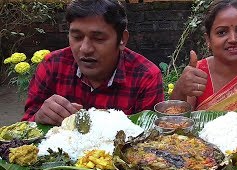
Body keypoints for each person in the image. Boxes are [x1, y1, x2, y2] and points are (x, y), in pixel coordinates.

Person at [22, 0, 164, 125]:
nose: (85, 49)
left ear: (122, 39)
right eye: (77, 37)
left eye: (98, 39)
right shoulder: (52, 65)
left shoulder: (146, 77)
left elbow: (149, 141)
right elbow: (24, 128)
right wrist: (38, 118)